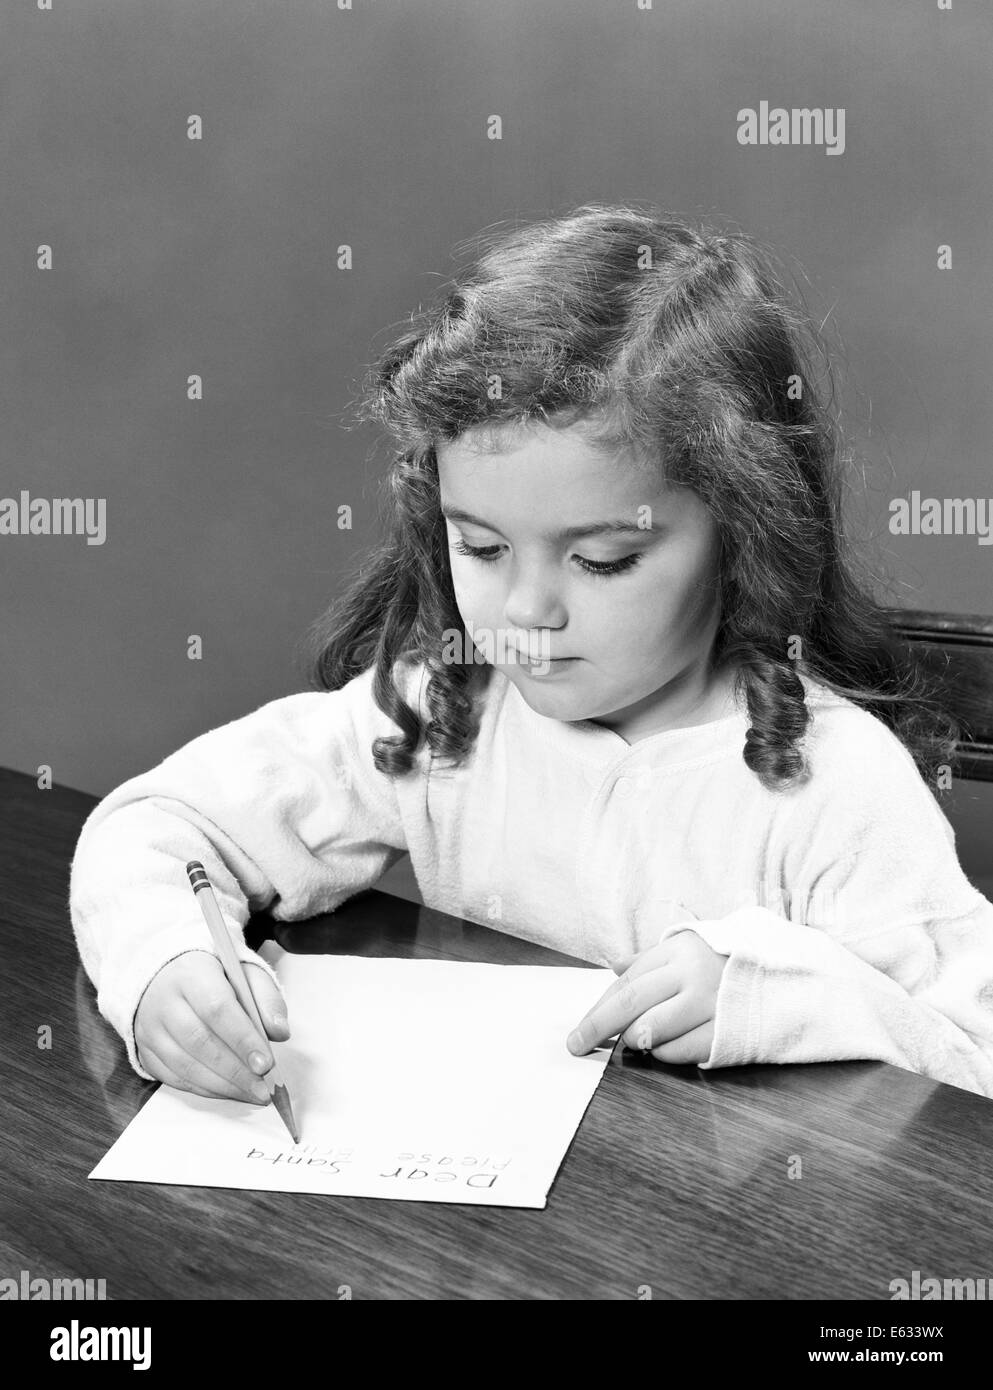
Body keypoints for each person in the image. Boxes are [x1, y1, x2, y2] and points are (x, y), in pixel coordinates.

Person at [69, 204, 993, 1103]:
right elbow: (159, 824)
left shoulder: (836, 787)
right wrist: (164, 964)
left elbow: (972, 1060)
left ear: (743, 535)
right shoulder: (443, 709)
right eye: (479, 547)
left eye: (601, 559)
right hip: (497, 1248)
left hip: (733, 1240)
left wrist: (788, 994)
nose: (524, 611)